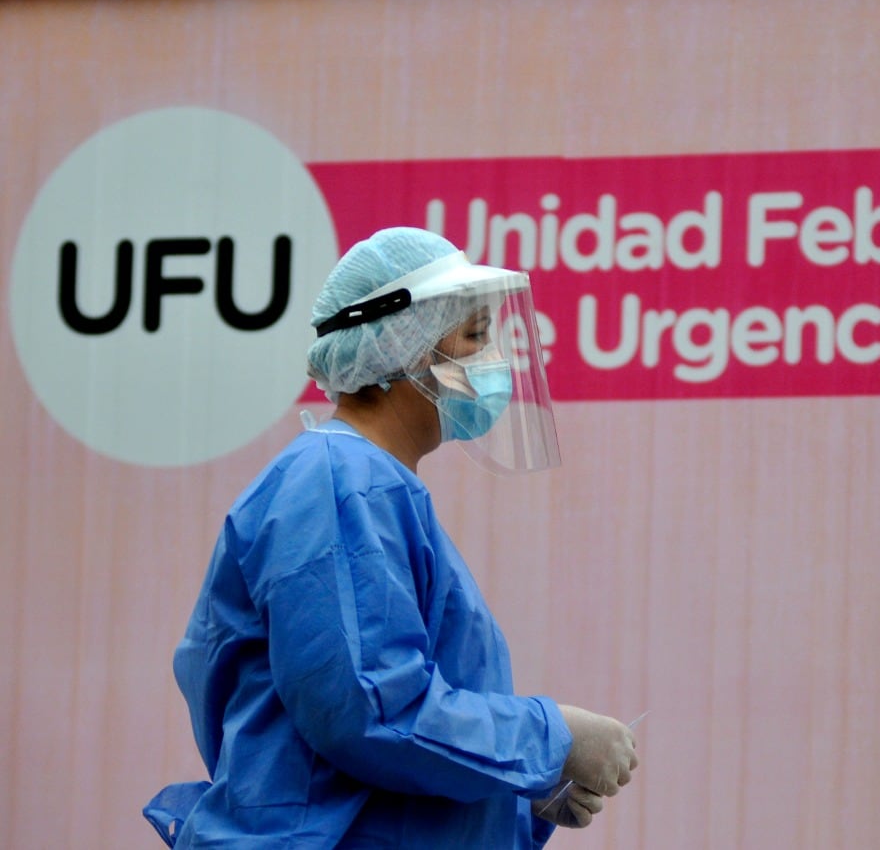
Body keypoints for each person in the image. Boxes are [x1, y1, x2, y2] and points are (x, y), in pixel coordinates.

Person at [144, 228, 639, 848]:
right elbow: (373, 710)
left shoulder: (365, 488)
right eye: (475, 336)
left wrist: (518, 793)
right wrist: (549, 739)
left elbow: (384, 755)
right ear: (399, 347)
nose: (494, 361)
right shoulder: (338, 485)